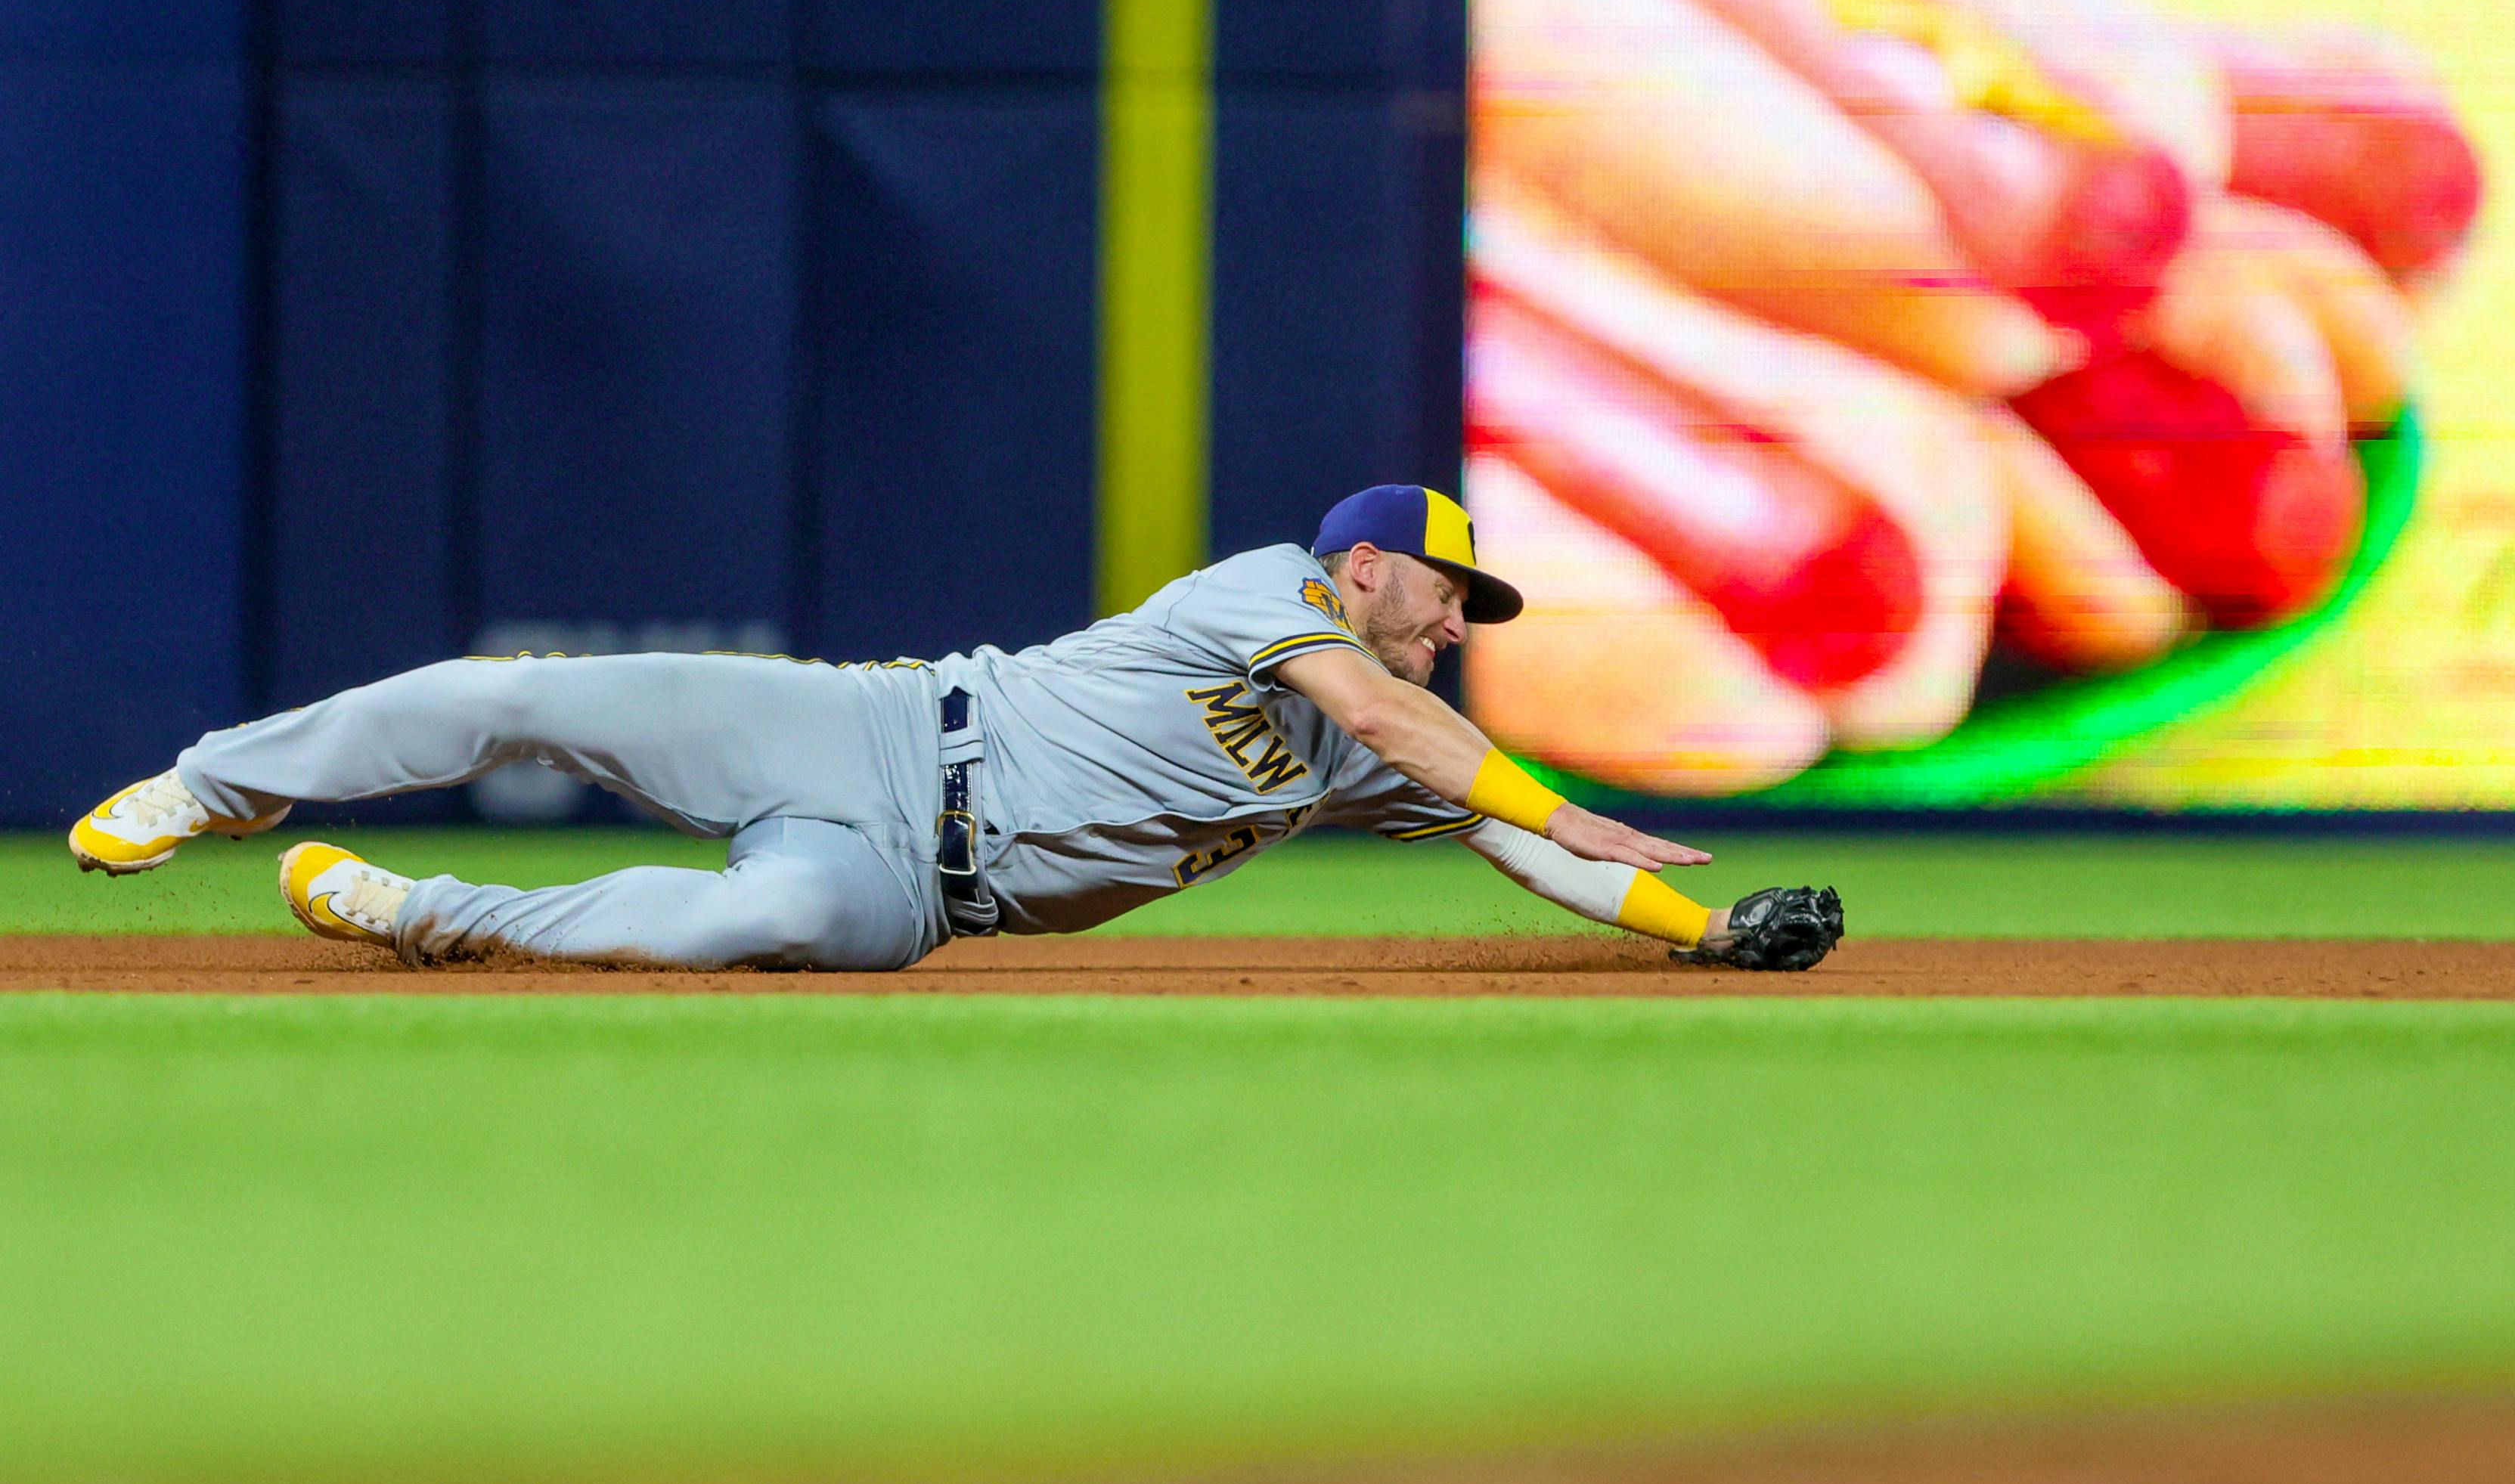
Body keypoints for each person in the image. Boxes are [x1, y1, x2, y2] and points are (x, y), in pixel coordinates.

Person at [67, 485, 1844, 974]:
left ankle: (414, 909)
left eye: (1475, 614)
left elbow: (1513, 838)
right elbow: (1390, 706)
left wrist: (1704, 928)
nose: (1461, 625)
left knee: (753, 926)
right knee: (524, 693)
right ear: (1363, 566)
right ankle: (202, 785)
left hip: (917, 903)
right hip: (872, 738)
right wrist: (1573, 800)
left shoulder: (1386, 744)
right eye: (1451, 593)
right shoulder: (1271, 594)